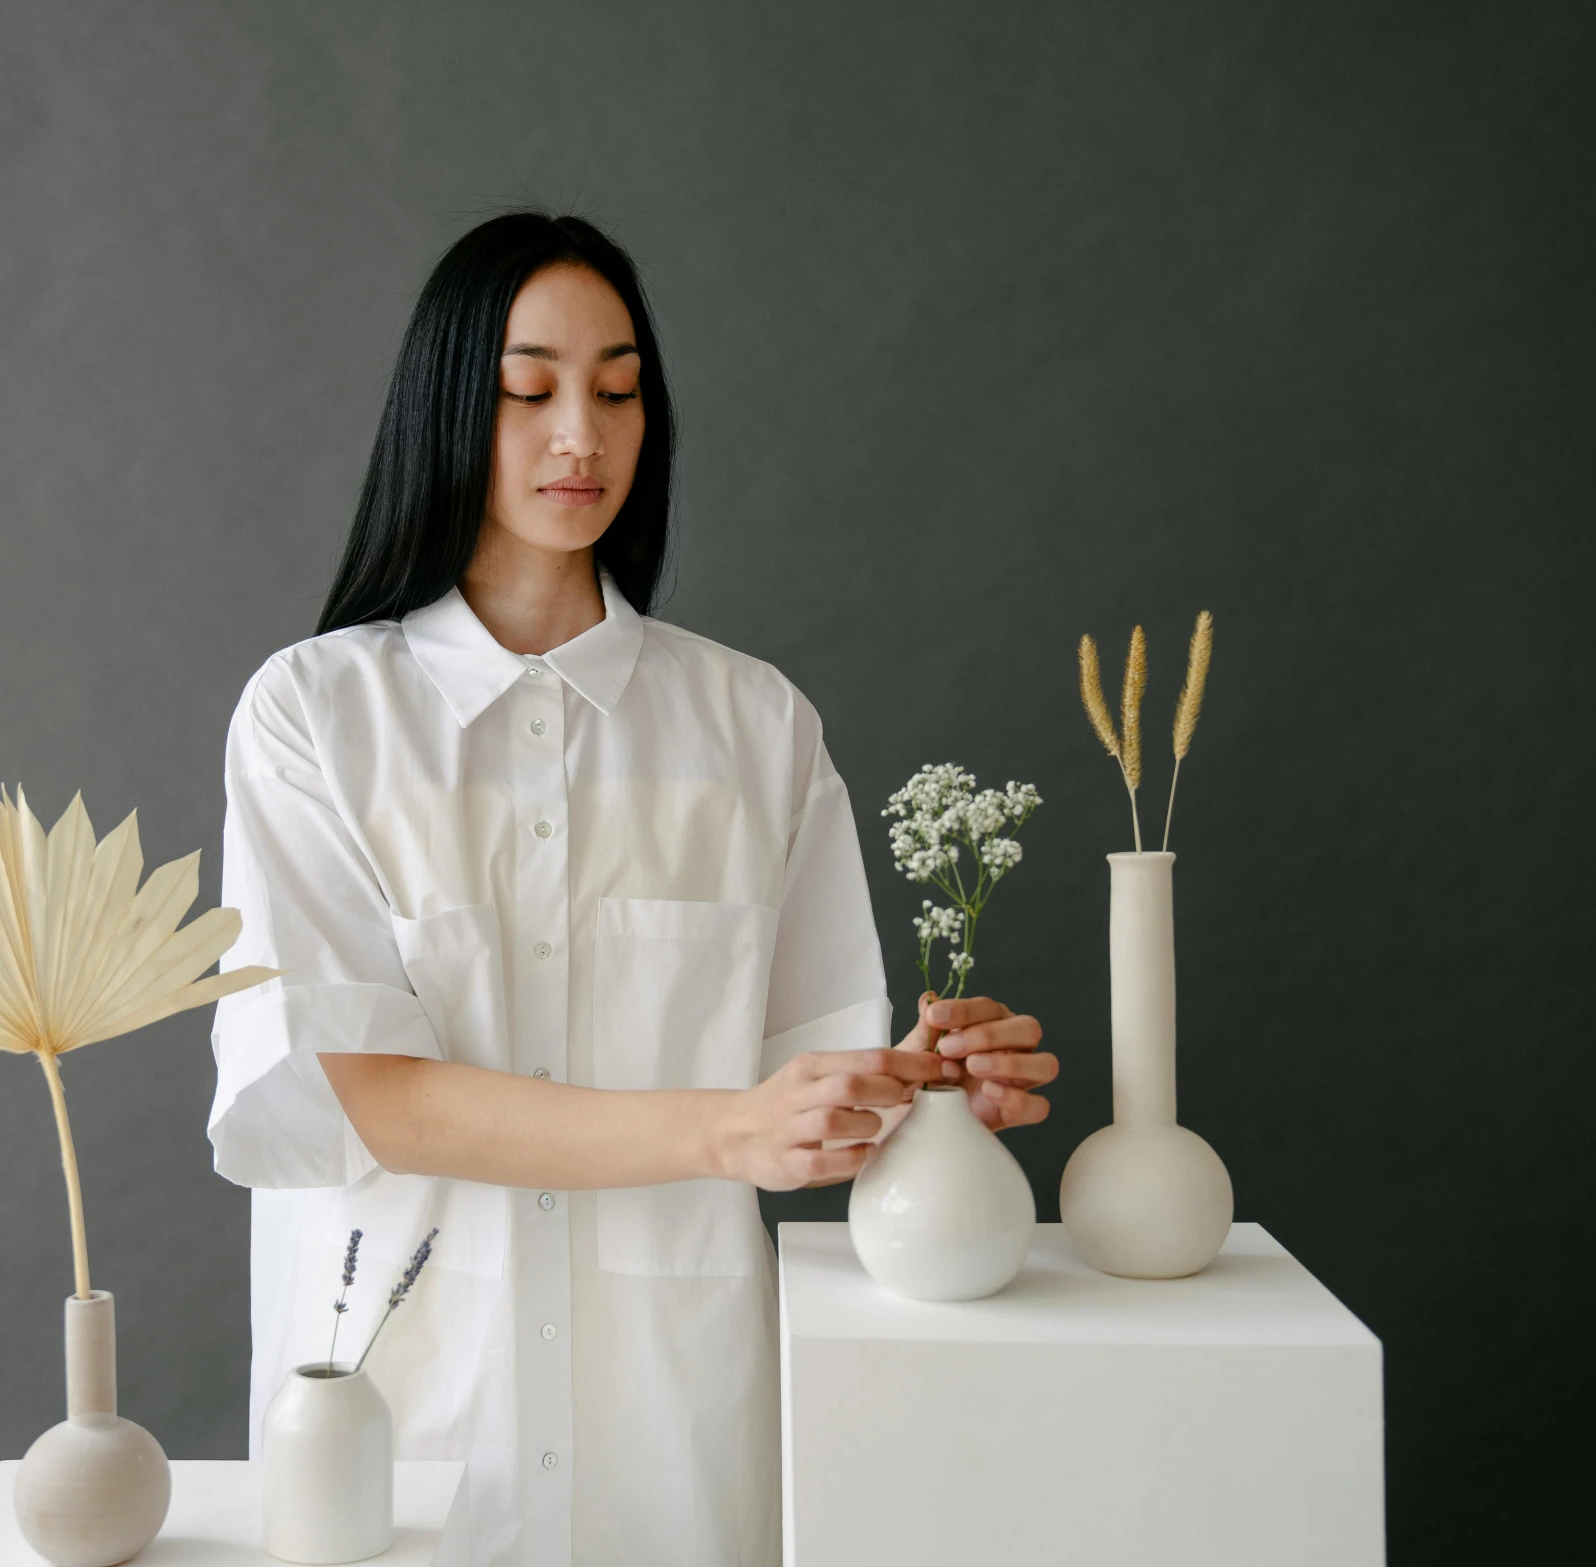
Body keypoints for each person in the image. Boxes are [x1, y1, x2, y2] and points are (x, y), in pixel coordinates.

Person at [207, 211, 1055, 1567]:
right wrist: (727, 1130)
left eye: (615, 388)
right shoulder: (315, 715)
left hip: (669, 1443)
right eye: (527, 388)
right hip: (408, 1430)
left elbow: (796, 1100)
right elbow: (379, 1095)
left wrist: (919, 1086)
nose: (579, 436)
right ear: (446, 407)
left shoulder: (754, 724)